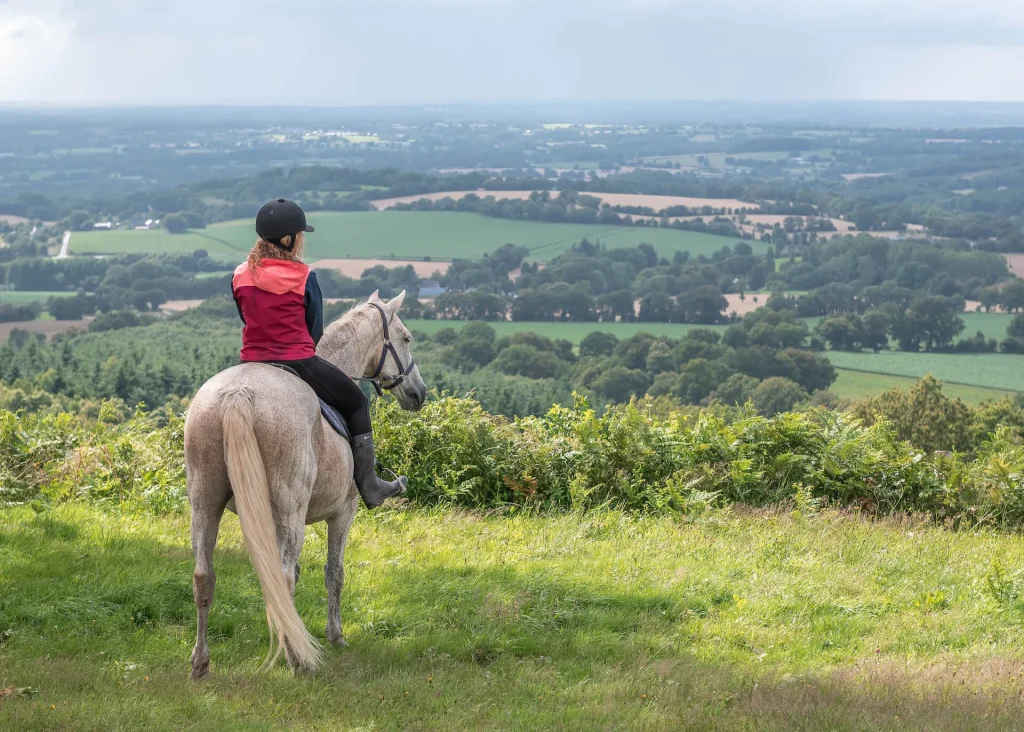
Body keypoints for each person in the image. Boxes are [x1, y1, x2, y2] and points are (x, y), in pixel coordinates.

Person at [230, 198, 406, 509]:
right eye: (299, 233)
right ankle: (370, 484)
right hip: (297, 361)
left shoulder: (240, 274)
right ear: (288, 239)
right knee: (356, 401)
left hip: (251, 361)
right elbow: (315, 330)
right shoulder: (303, 276)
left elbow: (246, 317)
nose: (301, 238)